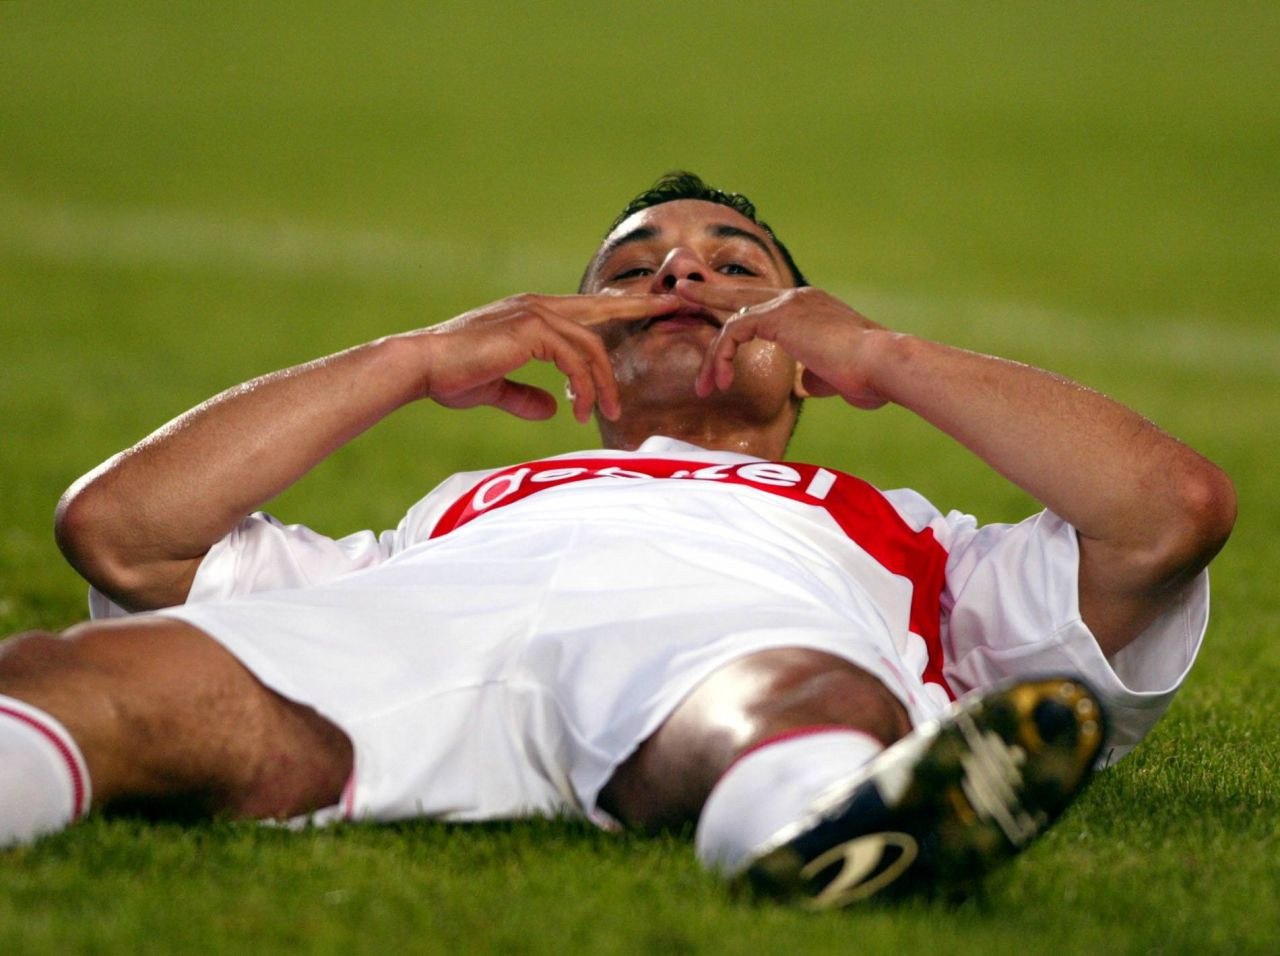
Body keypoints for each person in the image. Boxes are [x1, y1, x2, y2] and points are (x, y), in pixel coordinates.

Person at [0, 173, 1234, 907]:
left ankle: (818, 826)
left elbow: (1165, 510)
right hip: (419, 623)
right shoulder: (453, 508)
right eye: (631, 269)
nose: (679, 271)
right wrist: (413, 359)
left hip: (721, 662)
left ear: (801, 349)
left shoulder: (913, 539)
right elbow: (123, 532)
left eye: (733, 265)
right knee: (69, 675)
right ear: (573, 340)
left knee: (797, 695)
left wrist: (881, 353)